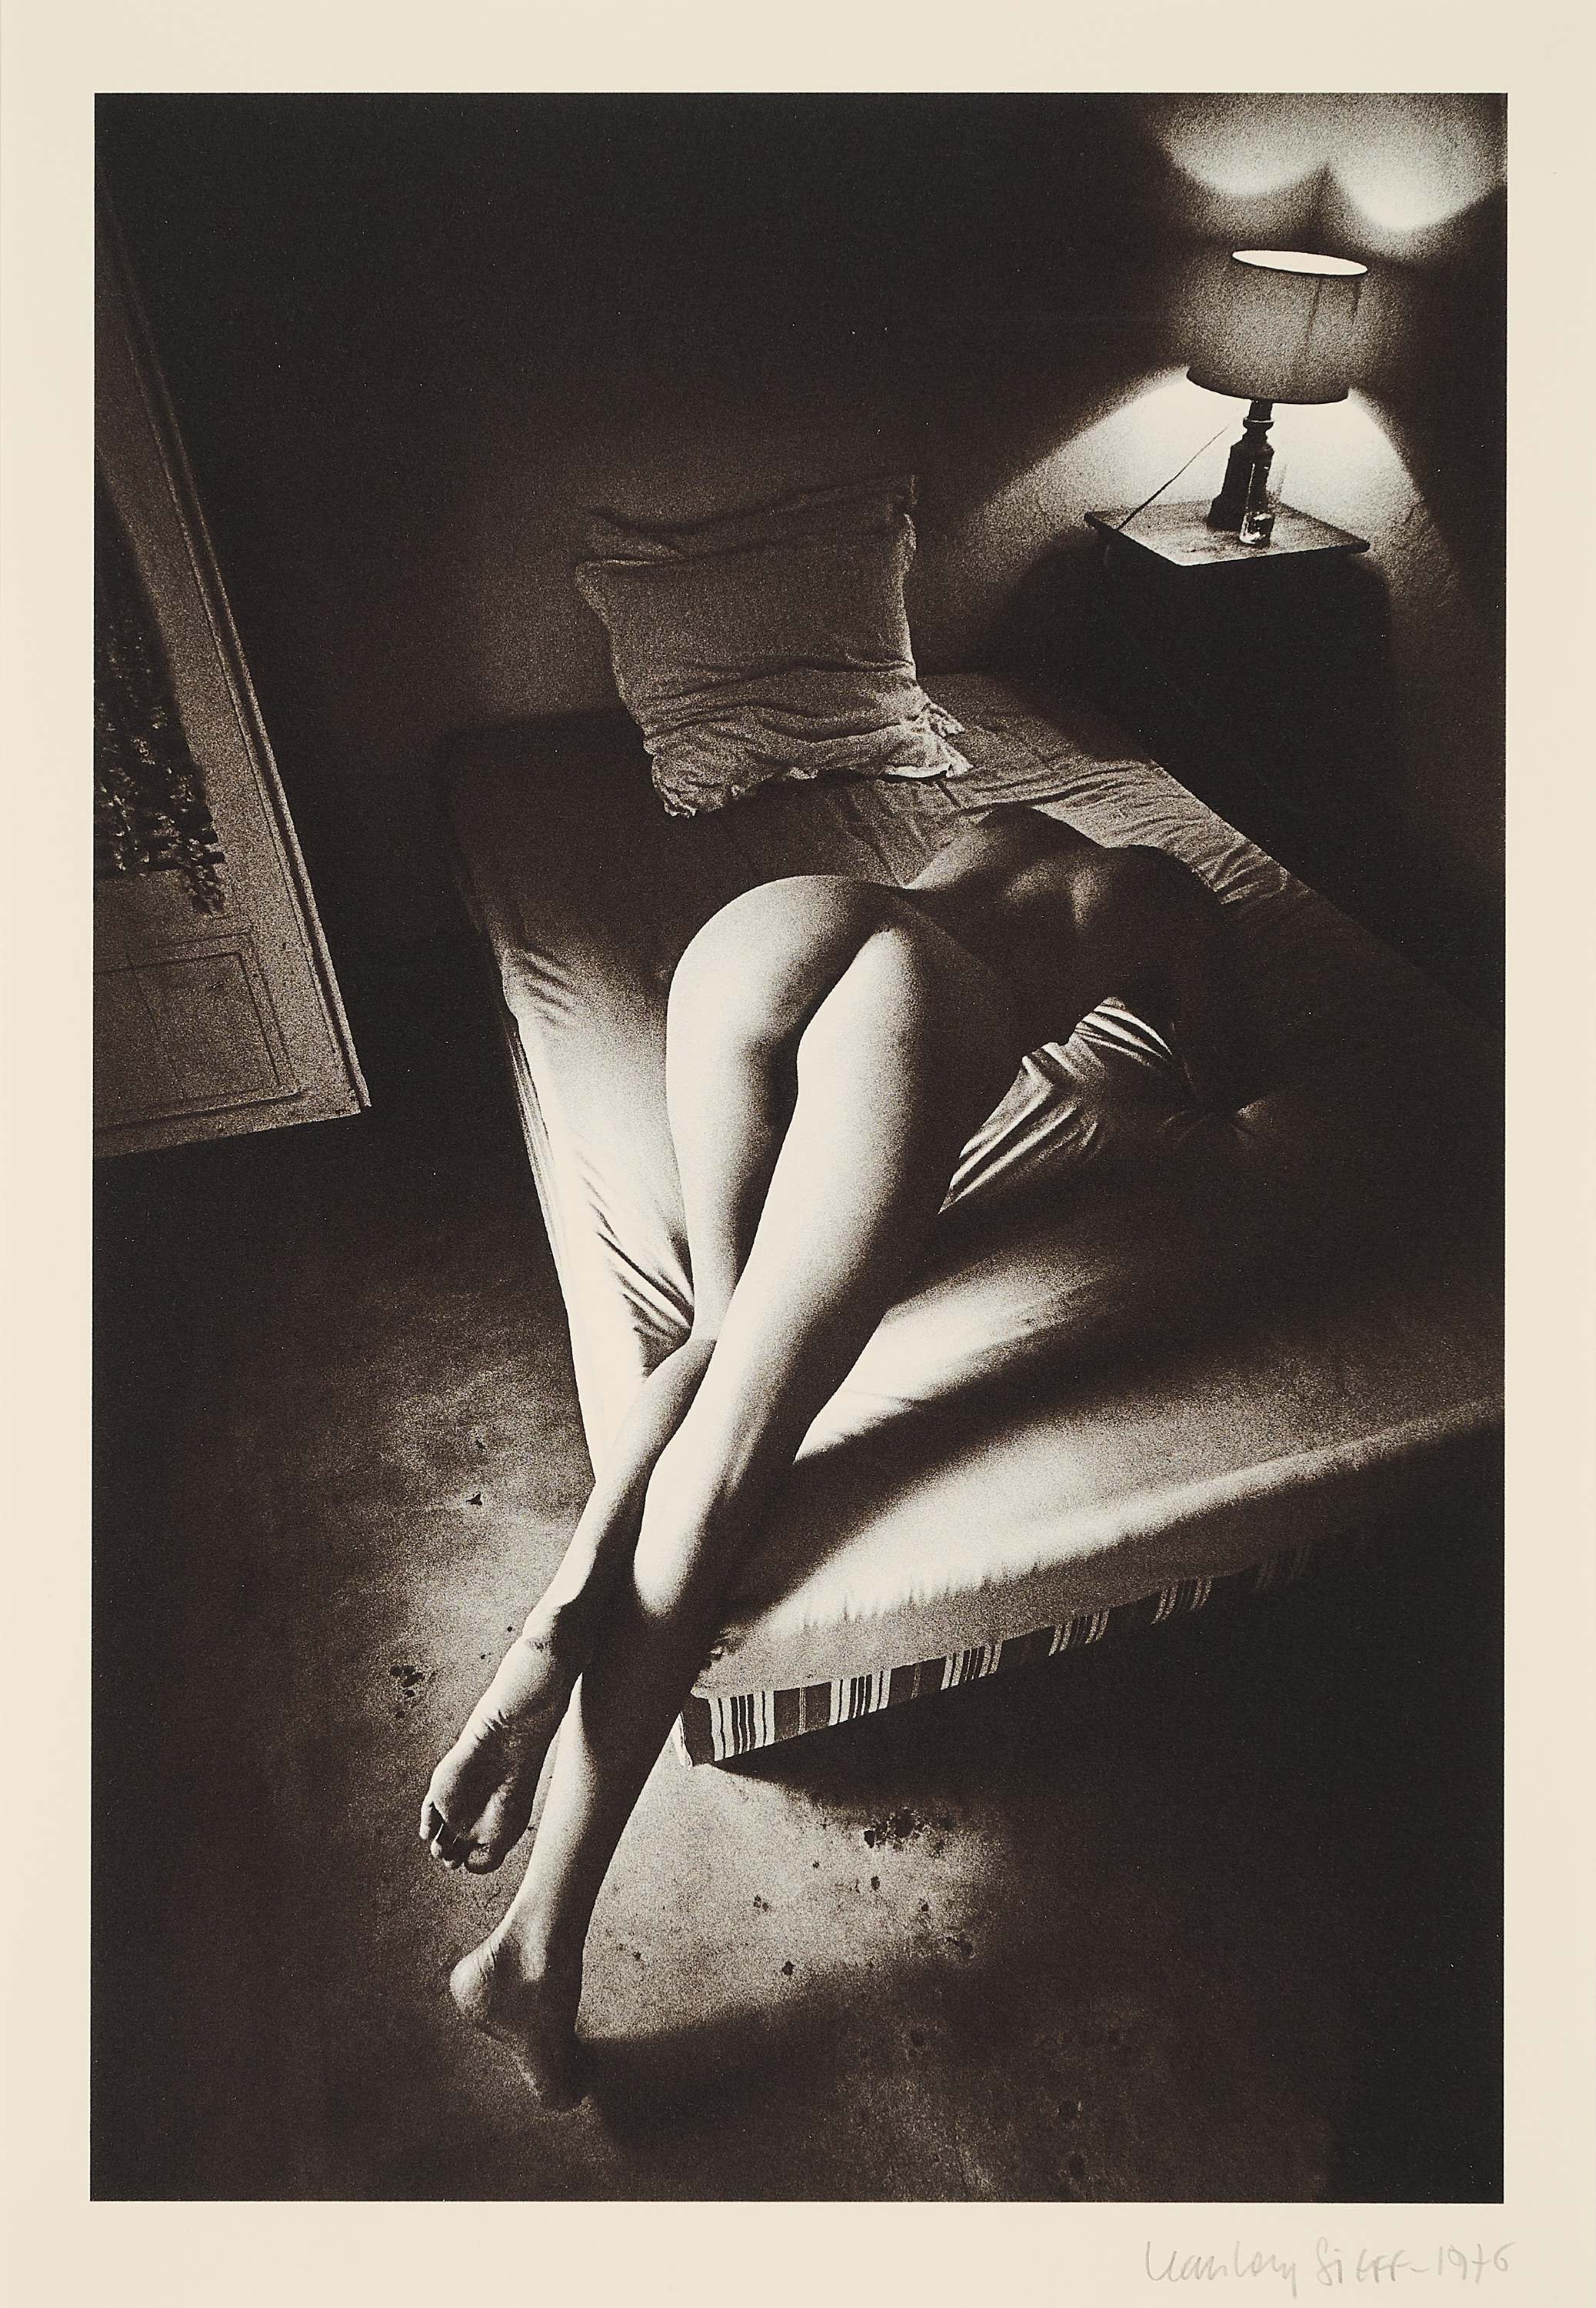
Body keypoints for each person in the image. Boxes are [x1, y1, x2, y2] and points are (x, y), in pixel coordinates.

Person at [419, 802, 1248, 2104]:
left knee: (720, 1328)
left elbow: (934, 909)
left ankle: (560, 1618)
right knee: (740, 1446)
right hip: (920, 1000)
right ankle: (532, 1949)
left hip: (780, 925)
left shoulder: (1005, 819)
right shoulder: (1164, 894)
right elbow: (1225, 1071)